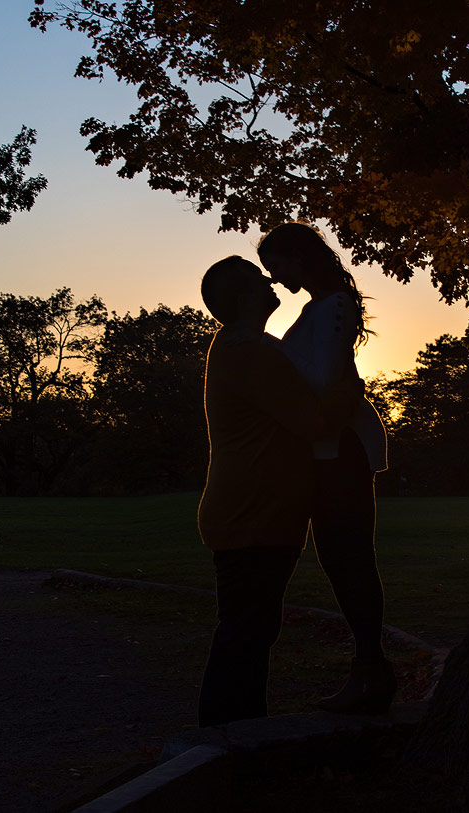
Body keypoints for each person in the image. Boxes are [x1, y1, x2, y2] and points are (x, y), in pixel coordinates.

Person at [195, 255, 359, 727]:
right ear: (244, 296)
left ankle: (239, 734)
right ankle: (227, 741)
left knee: (251, 630)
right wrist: (350, 384)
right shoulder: (249, 351)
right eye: (258, 279)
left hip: (257, 513)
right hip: (251, 515)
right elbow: (314, 422)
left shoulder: (251, 346)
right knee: (246, 632)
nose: (270, 283)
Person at [257, 223, 395, 715]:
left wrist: (265, 351)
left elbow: (323, 379)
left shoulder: (334, 304)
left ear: (297, 257)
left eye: (276, 264)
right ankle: (369, 669)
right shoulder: (316, 307)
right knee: (340, 558)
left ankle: (372, 671)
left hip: (341, 449)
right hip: (326, 450)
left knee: (350, 556)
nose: (273, 277)